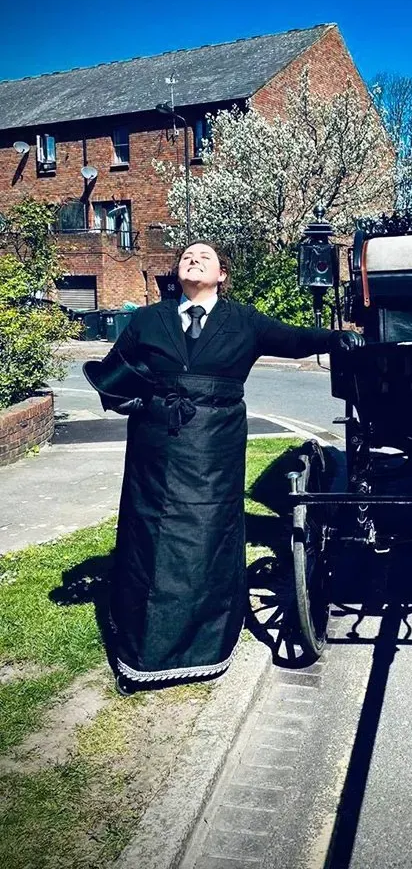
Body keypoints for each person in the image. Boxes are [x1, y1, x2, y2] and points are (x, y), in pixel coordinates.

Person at [84, 240, 362, 694]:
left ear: (222, 276)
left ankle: (205, 641)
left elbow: (293, 339)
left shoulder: (243, 320)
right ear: (176, 272)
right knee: (151, 534)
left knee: (209, 529)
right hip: (154, 447)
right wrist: (123, 398)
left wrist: (335, 338)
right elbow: (113, 371)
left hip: (214, 444)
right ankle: (144, 648)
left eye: (204, 257)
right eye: (186, 257)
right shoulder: (147, 319)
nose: (192, 260)